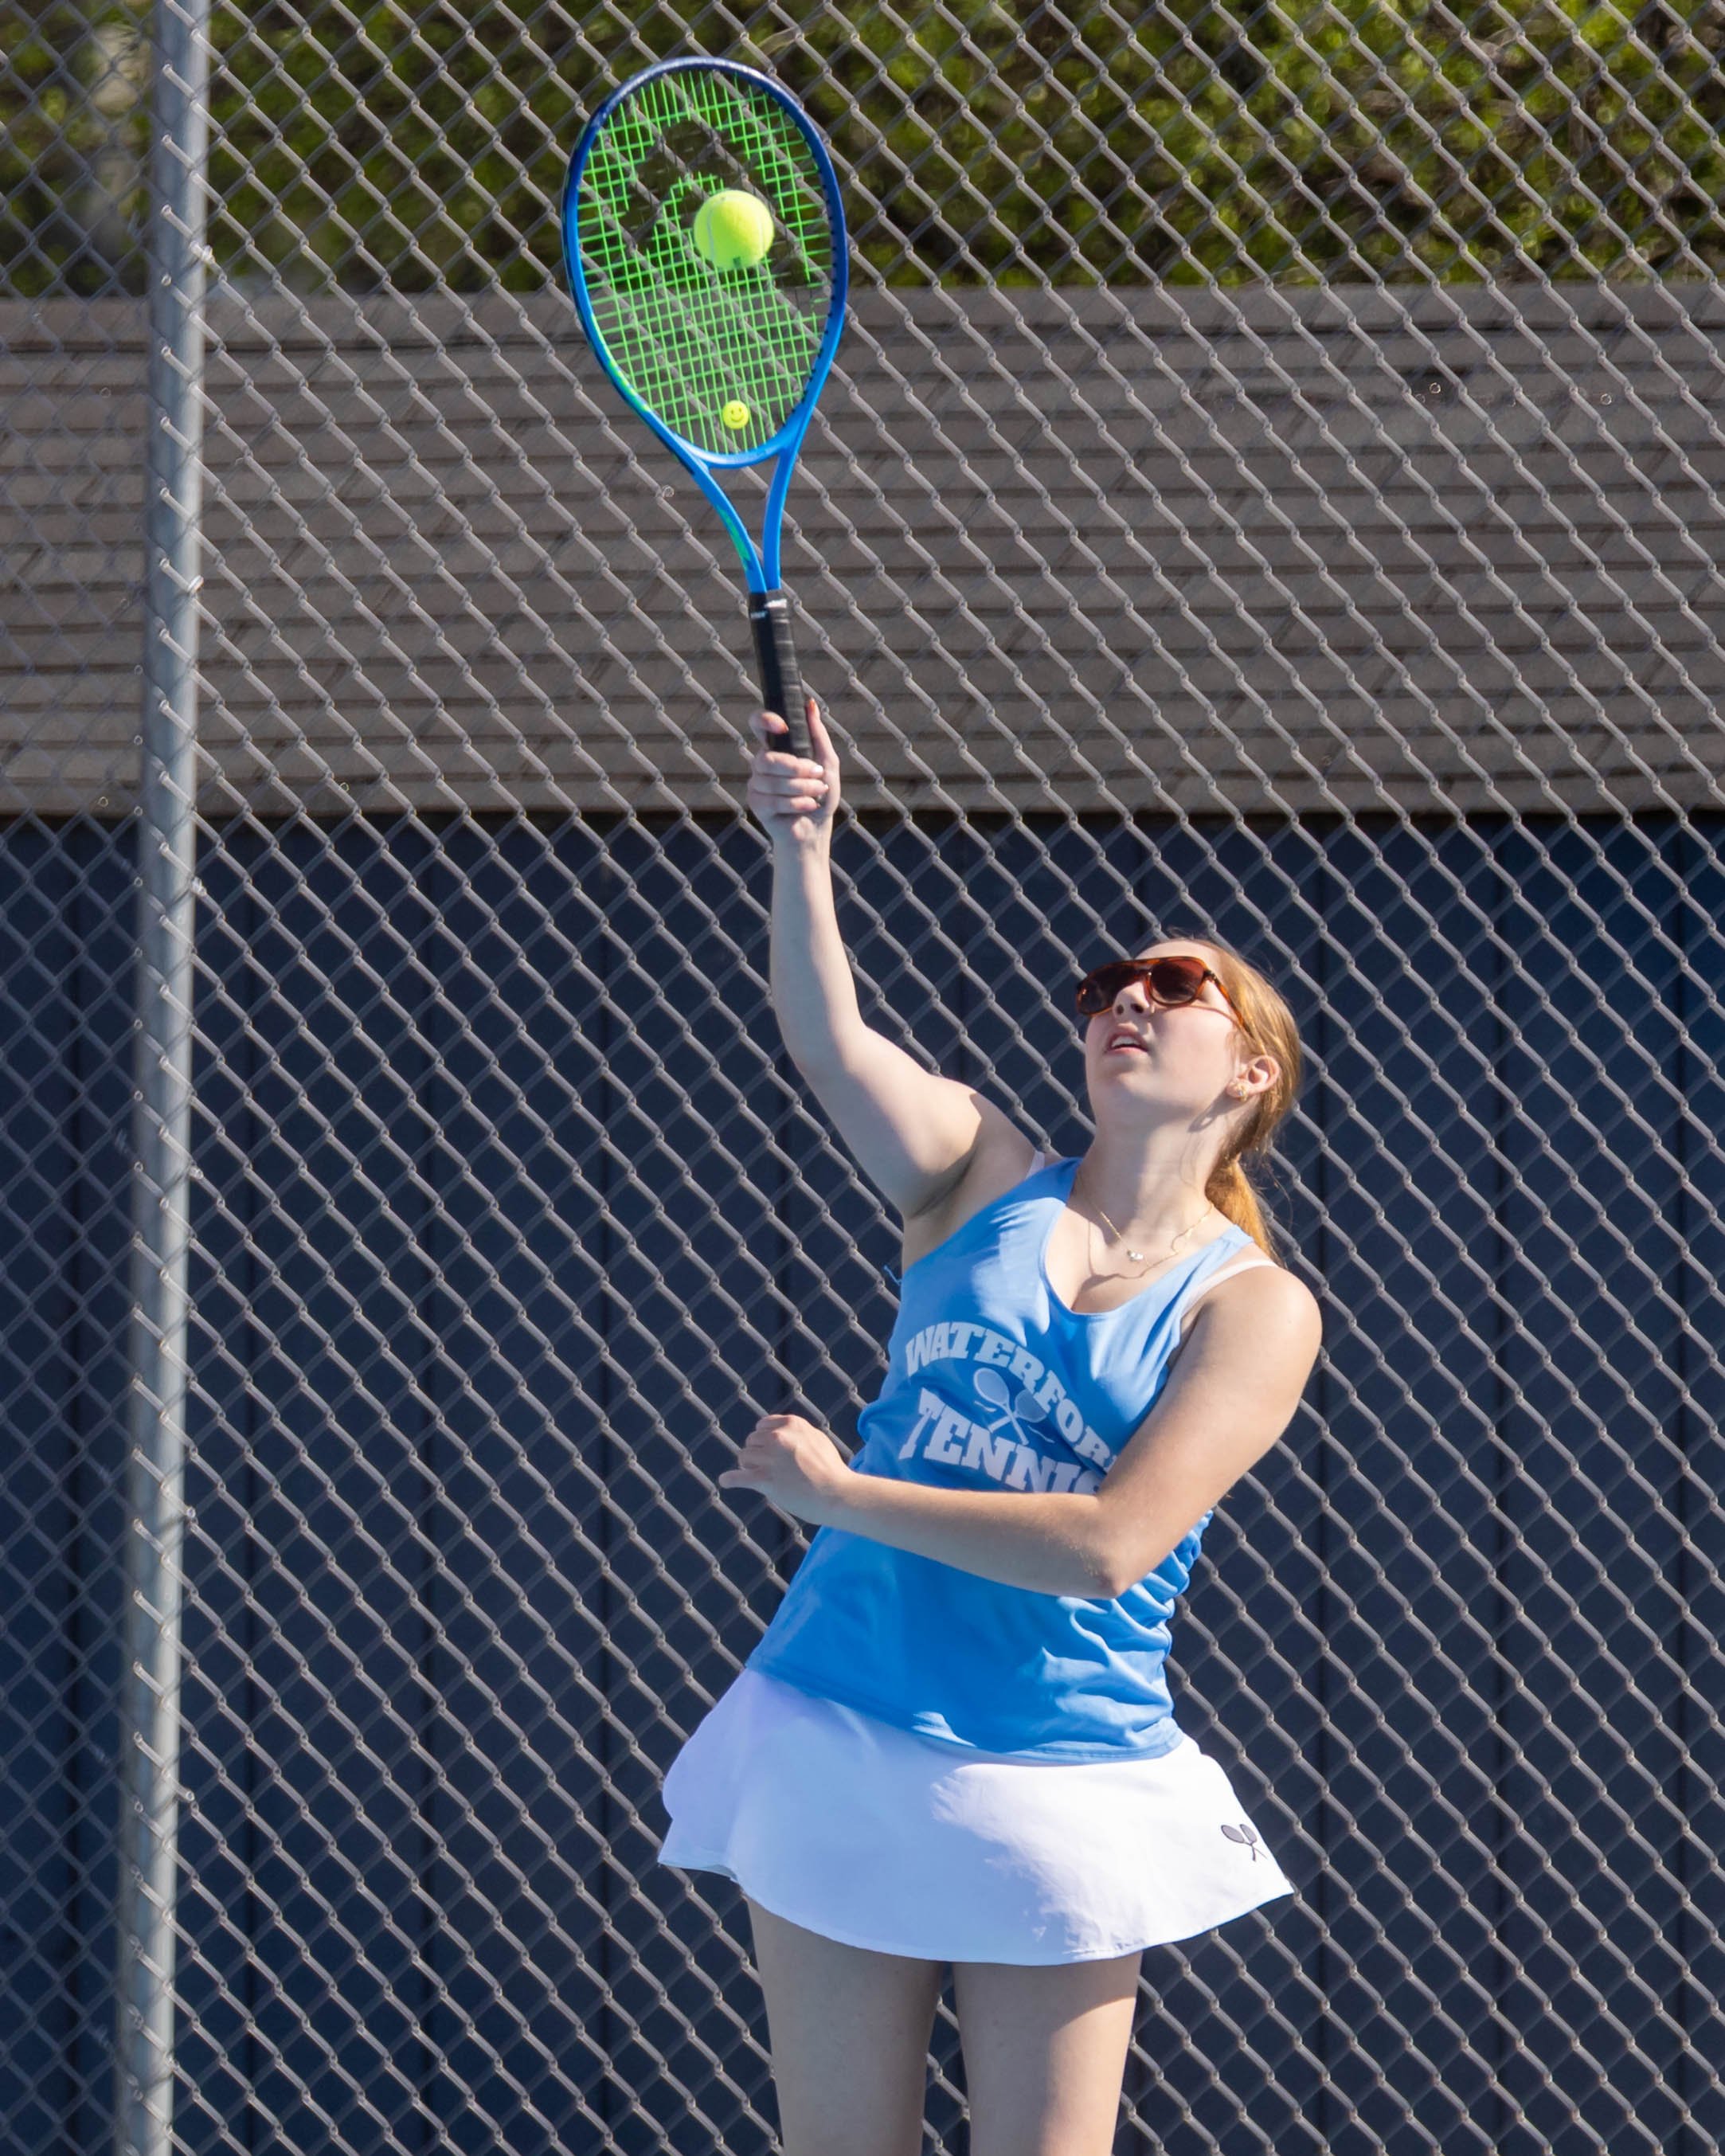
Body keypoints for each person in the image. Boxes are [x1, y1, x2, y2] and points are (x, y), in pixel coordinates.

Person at [655, 695, 1324, 2156]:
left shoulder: (1253, 1307)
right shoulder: (978, 1178)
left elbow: (1107, 1549)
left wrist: (842, 1498)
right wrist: (801, 842)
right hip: (835, 1720)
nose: (1120, 1005)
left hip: (1060, 1773)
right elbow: (830, 1040)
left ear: (1250, 1069)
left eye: (1167, 985)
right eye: (1101, 989)